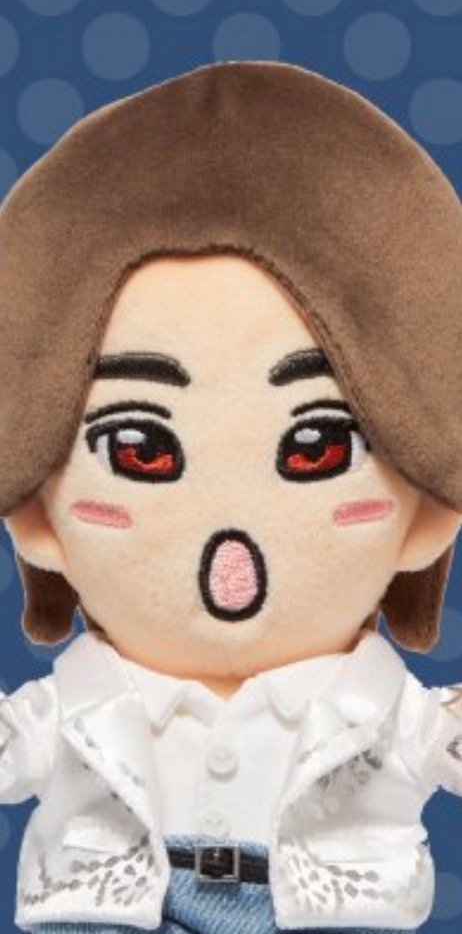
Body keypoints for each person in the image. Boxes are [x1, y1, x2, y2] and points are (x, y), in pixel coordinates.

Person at [0, 61, 461, 934]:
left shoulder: (383, 710)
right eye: (137, 448)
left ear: (427, 517)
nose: (229, 531)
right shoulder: (75, 707)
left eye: (318, 445)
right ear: (37, 519)